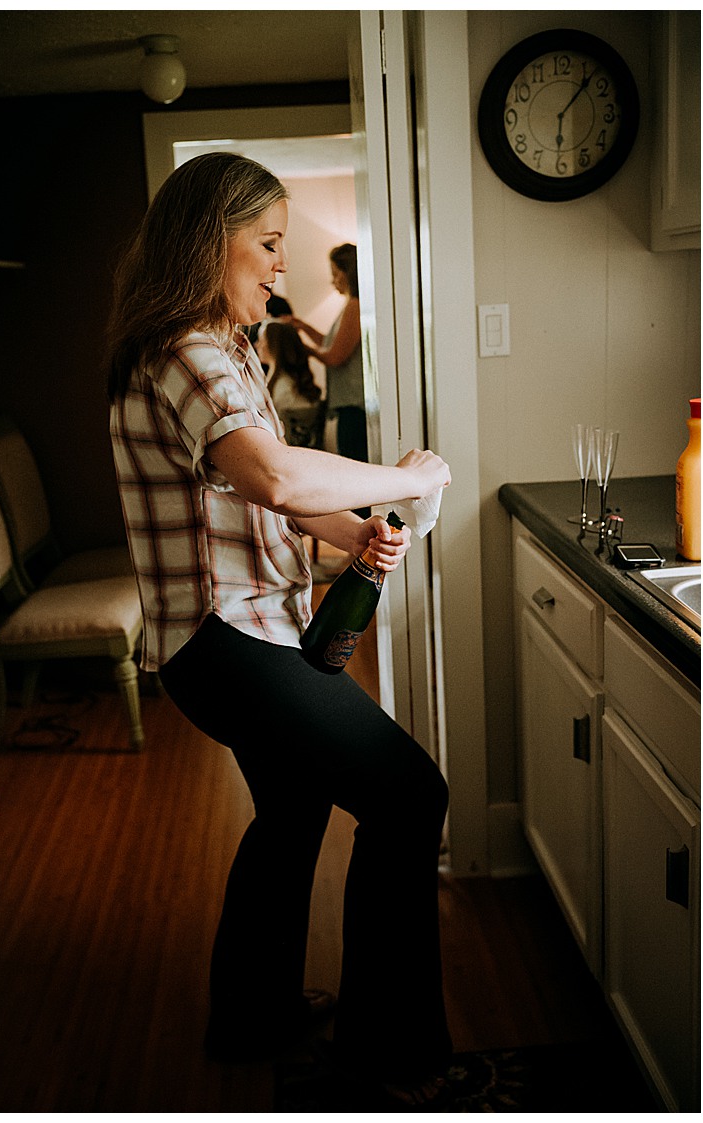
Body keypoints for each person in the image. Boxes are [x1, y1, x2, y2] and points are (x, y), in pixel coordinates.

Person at [106, 151, 458, 1108]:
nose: (277, 267)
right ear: (202, 239)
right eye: (265, 245)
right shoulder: (187, 350)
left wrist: (352, 540)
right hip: (227, 643)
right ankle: (388, 1049)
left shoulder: (224, 351)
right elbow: (277, 476)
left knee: (295, 811)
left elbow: (264, 502)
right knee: (410, 797)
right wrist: (406, 477)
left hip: (243, 632)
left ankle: (250, 1015)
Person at [290, 244, 366, 466]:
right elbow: (329, 343)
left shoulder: (355, 306)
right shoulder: (349, 306)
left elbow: (335, 357)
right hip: (349, 404)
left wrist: (304, 350)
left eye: (335, 274)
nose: (333, 281)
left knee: (354, 465)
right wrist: (302, 326)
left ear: (347, 272)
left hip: (354, 405)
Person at [256, 320, 323, 439]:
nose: (257, 345)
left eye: (262, 340)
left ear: (274, 345)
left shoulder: (283, 387)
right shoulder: (286, 383)